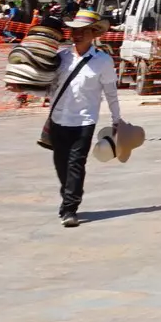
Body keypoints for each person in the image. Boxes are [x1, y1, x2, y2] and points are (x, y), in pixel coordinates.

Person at [47, 12, 127, 227]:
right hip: (57, 118)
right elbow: (49, 88)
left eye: (83, 31)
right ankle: (70, 194)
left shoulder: (102, 61)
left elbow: (111, 92)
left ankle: (70, 208)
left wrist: (116, 118)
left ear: (93, 33)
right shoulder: (62, 57)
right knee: (60, 163)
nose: (77, 34)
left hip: (84, 121)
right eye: (74, 30)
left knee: (76, 163)